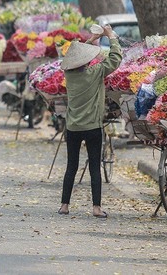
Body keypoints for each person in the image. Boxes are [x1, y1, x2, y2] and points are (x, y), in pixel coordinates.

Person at [58, 24, 123, 219]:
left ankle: (64, 205)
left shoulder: (69, 75)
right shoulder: (95, 74)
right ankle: (96, 208)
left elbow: (76, 58)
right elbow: (115, 59)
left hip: (73, 127)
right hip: (93, 127)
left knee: (71, 166)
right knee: (95, 166)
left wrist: (91, 40)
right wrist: (111, 36)